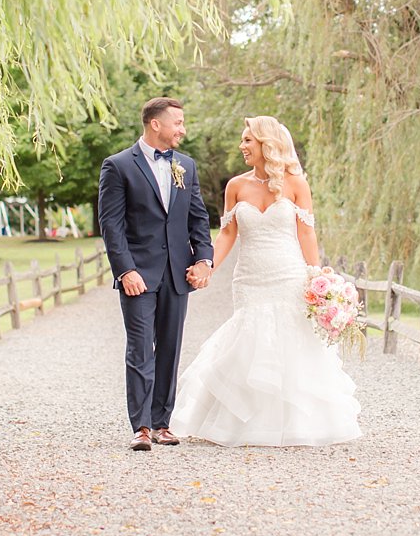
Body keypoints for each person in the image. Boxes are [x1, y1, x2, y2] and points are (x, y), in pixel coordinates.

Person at [171, 117, 361, 447]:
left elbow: (306, 232)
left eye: (248, 141)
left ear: (266, 144)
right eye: (243, 140)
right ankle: (241, 424)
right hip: (249, 278)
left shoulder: (296, 184)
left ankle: (295, 424)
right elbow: (228, 233)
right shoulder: (236, 186)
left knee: (290, 340)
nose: (242, 146)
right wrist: (207, 267)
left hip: (288, 273)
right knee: (248, 335)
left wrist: (318, 278)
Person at [97, 98, 214, 452]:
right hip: (139, 275)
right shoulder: (118, 166)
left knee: (170, 348)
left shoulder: (186, 166)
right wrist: (125, 269)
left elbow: (198, 218)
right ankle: (142, 426)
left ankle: (164, 422)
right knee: (139, 349)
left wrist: (204, 260)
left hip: (177, 274)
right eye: (177, 122)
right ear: (155, 125)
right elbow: (111, 224)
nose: (182, 129)